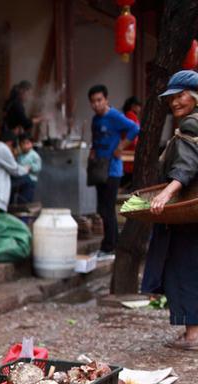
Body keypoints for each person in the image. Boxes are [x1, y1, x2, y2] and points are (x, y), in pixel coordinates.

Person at [141, 70, 198, 350]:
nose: (175, 102)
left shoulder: (191, 126)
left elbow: (185, 168)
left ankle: (193, 334)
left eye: (181, 95)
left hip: (188, 215)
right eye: (172, 97)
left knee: (183, 269)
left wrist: (165, 194)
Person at [88, 84, 140, 257]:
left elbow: (134, 128)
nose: (96, 104)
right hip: (99, 169)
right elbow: (95, 140)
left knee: (107, 208)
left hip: (113, 170)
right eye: (93, 101)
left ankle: (109, 247)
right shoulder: (96, 119)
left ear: (106, 100)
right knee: (101, 208)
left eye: (99, 100)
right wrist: (93, 152)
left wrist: (122, 146)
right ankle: (110, 244)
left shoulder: (115, 116)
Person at [12, 133, 42, 205]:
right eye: (23, 144)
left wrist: (31, 167)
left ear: (32, 144)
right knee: (19, 197)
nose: (25, 146)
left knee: (27, 198)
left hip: (31, 180)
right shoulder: (20, 155)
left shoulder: (34, 155)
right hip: (20, 180)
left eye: (27, 143)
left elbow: (38, 167)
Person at [121, 96, 143, 188]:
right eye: (139, 106)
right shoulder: (131, 116)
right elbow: (134, 134)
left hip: (127, 149)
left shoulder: (126, 116)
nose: (140, 109)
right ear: (133, 106)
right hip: (131, 150)